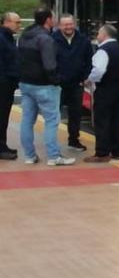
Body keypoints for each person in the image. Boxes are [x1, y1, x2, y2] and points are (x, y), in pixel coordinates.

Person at [18, 9, 74, 166]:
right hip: (45, 86)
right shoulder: (45, 39)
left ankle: (29, 156)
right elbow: (50, 65)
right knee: (51, 121)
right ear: (48, 20)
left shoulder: (24, 36)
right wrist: (57, 80)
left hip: (25, 83)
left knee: (27, 120)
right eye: (53, 18)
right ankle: (54, 156)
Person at [83, 24, 119, 163]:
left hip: (105, 88)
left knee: (102, 120)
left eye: (99, 34)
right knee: (117, 119)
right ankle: (117, 150)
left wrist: (89, 79)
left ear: (105, 35)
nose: (97, 36)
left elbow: (99, 70)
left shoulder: (103, 51)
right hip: (118, 87)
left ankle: (102, 152)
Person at [53, 14, 91, 152]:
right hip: (58, 85)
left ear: (74, 24)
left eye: (70, 24)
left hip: (77, 84)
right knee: (54, 114)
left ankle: (74, 140)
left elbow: (89, 60)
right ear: (59, 26)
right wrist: (55, 78)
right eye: (65, 24)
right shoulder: (52, 40)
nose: (68, 27)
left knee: (75, 114)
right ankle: (52, 143)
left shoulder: (83, 40)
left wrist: (85, 77)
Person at [0, 12, 19, 160]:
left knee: (4, 116)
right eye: (16, 22)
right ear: (6, 22)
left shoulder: (8, 37)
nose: (19, 25)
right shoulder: (2, 38)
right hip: (3, 83)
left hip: (8, 83)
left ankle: (3, 145)